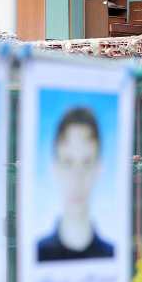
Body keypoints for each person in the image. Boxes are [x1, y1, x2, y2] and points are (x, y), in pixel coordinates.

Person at [37, 107, 114, 261]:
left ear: (99, 169)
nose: (77, 178)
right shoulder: (36, 255)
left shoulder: (112, 256)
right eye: (68, 162)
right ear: (54, 169)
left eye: (86, 163)